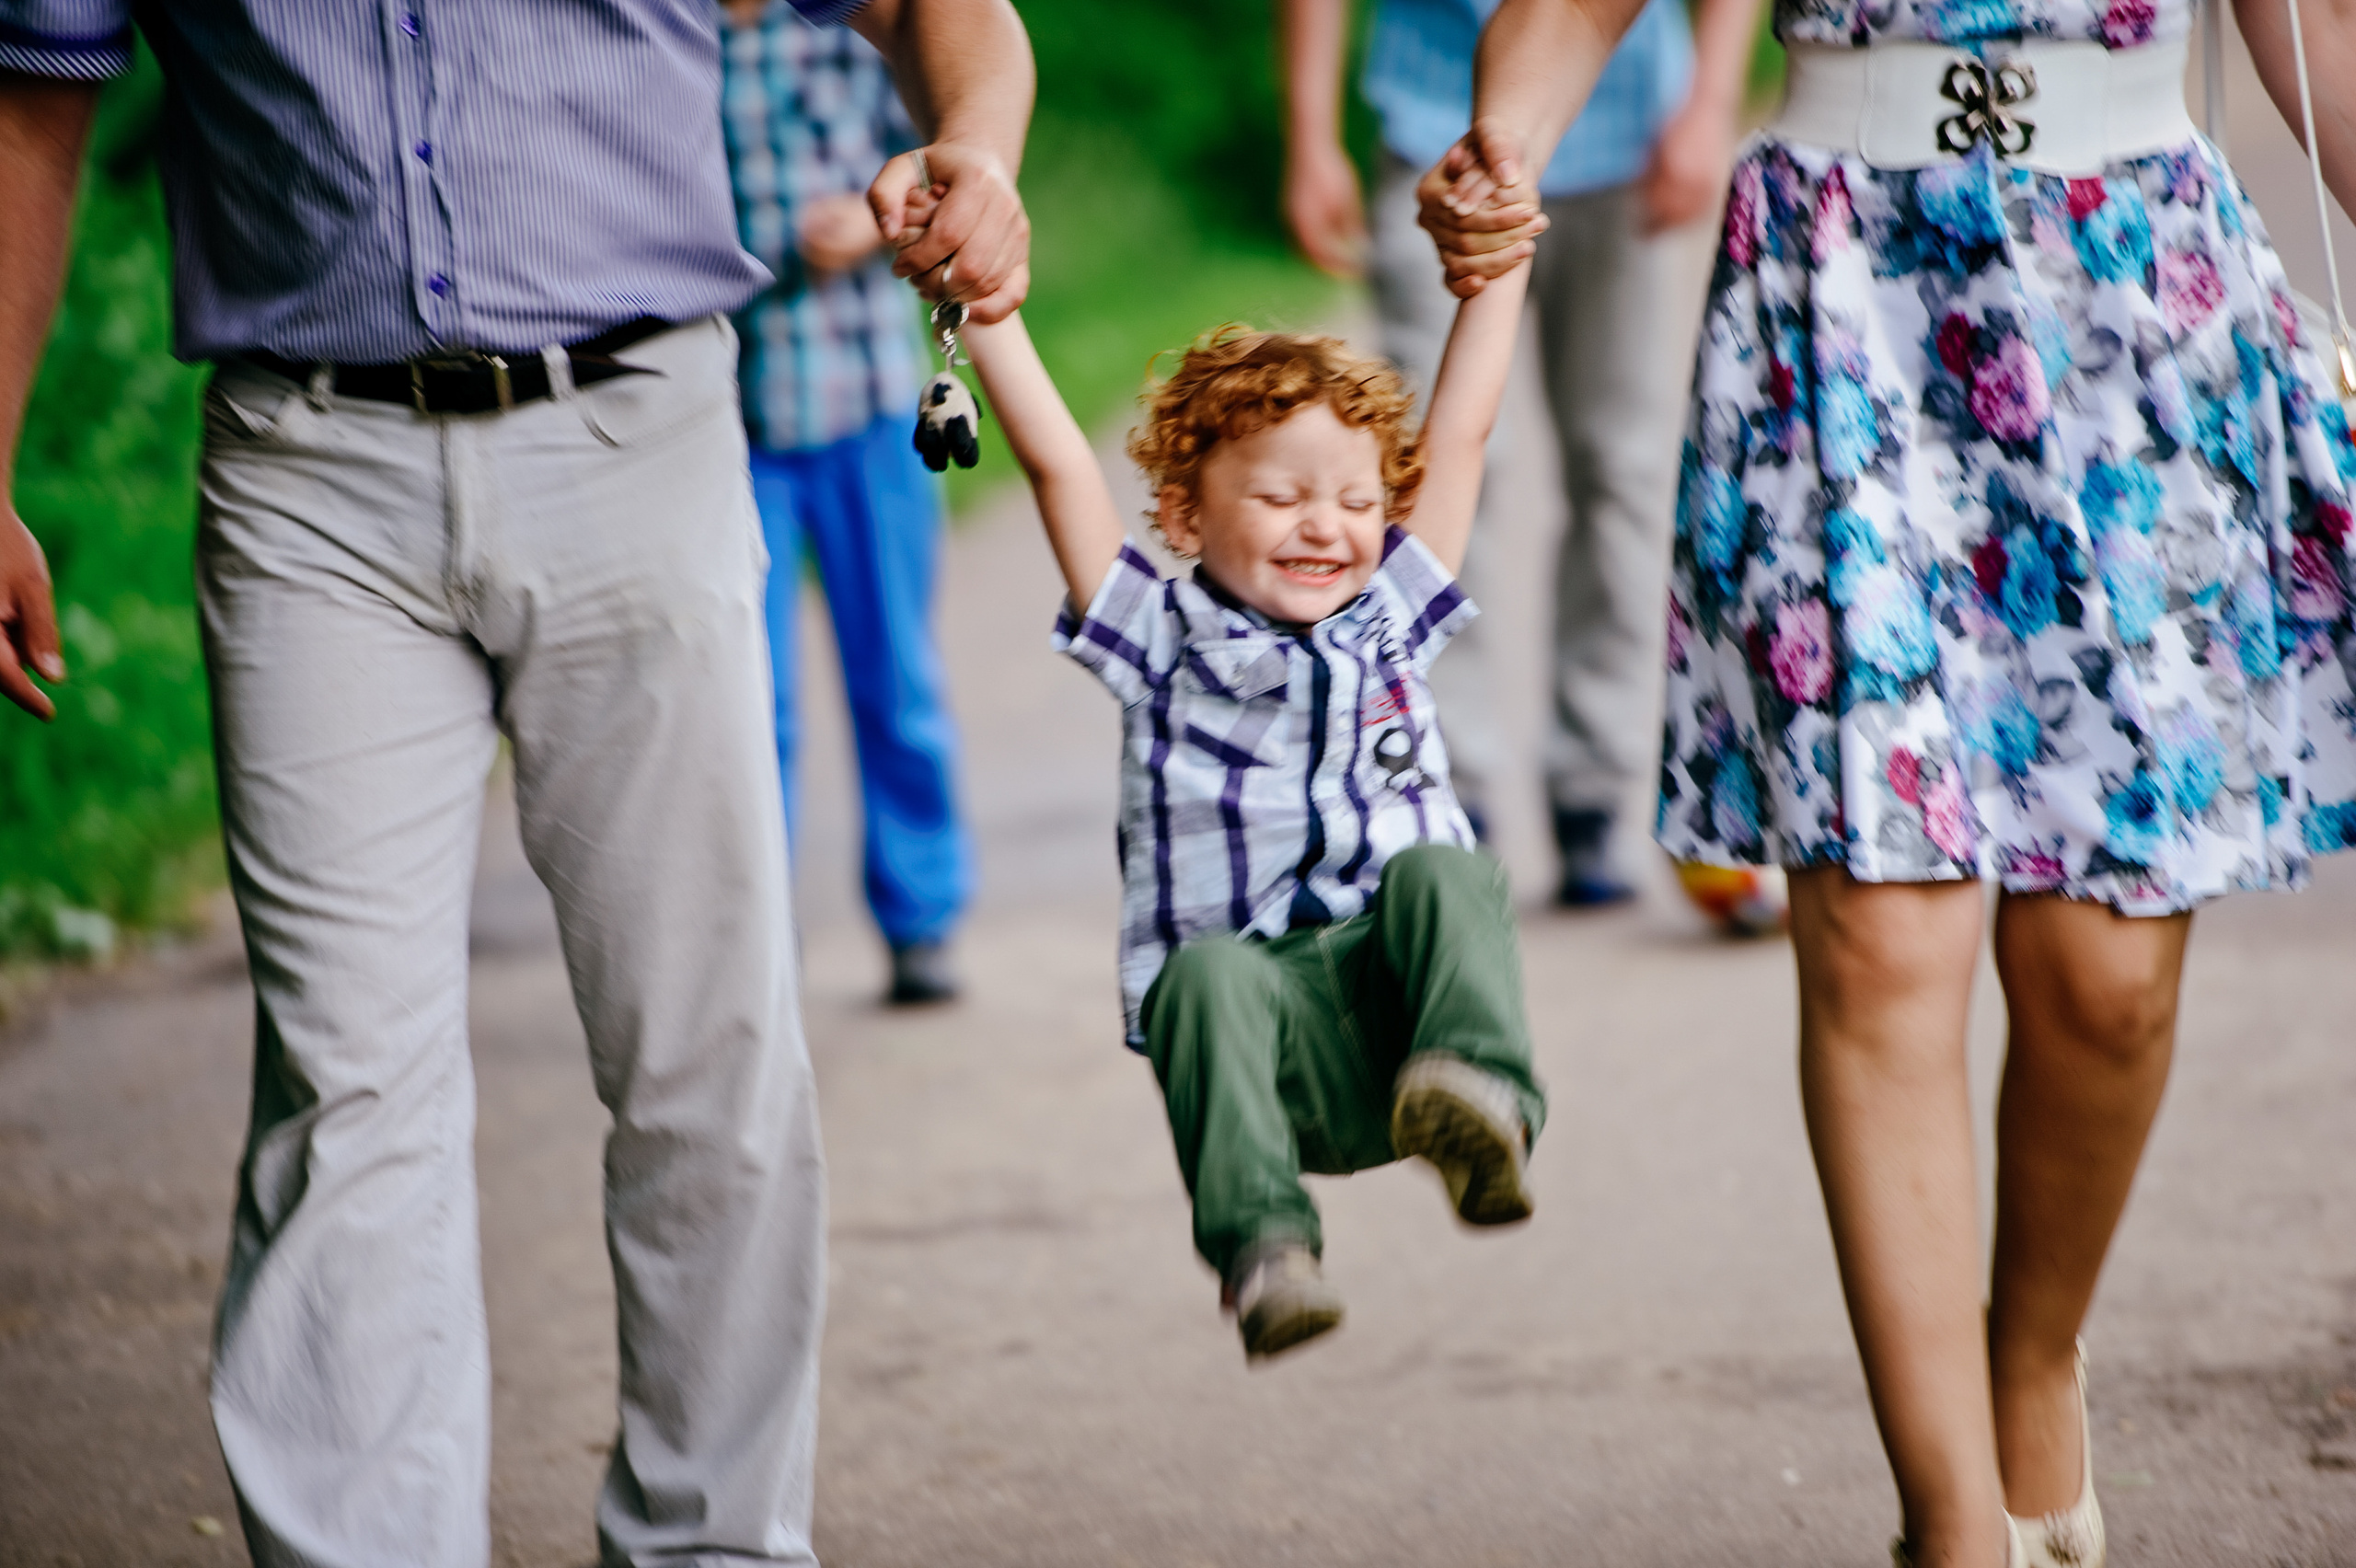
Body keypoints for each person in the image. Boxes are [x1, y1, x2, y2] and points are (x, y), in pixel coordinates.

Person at [0, 2, 1032, 1562]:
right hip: (306, 471)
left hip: (640, 429)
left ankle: (714, 1542)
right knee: (347, 1086)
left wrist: (977, 147)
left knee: (706, 1048)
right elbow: (33, 102)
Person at [1423, 0, 2356, 1562]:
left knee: (2105, 976)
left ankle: (2033, 1349)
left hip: (2135, 297)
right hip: (1842, 293)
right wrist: (1505, 140)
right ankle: (1950, 1523)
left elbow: (2313, 35)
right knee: (1879, 928)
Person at [952, 205, 1549, 1361]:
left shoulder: (1389, 617)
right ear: (1185, 515)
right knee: (1205, 975)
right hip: (1263, 1062)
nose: (1326, 525)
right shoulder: (1155, 637)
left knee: (1443, 871)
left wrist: (1496, 274)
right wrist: (986, 313)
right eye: (1281, 498)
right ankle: (1266, 1252)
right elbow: (1056, 464)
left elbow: (1464, 436)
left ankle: (1484, 1106)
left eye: (1358, 502)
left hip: (1401, 1019)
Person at [1278, 0, 1761, 901]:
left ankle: (1594, 781)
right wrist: (1309, 133)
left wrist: (1710, 99)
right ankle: (1443, 785)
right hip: (1437, 134)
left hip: (1625, 133)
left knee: (1620, 469)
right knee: (1425, 473)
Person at [720, 0, 974, 1006]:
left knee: (897, 677)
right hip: (734, 421)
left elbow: (934, 153)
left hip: (866, 399)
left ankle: (922, 917)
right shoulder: (663, 38)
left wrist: (870, 230)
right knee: (751, 701)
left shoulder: (843, 22)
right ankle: (756, 940)